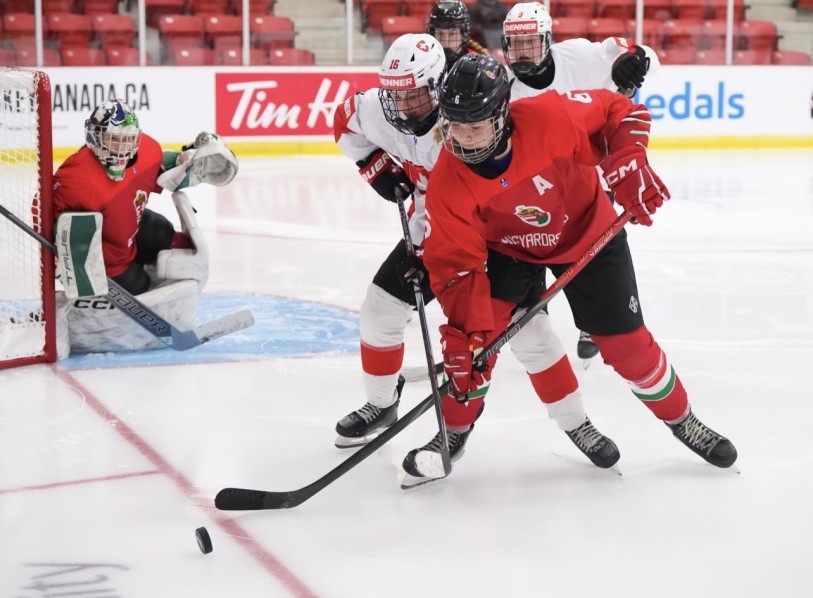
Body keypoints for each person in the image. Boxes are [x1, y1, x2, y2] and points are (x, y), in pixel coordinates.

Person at [403, 53, 738, 484]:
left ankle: (682, 419)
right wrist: (466, 332)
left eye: (476, 126)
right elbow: (455, 263)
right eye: (455, 127)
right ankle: (453, 433)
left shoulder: (551, 116)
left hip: (588, 234)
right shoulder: (449, 179)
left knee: (629, 349)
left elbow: (622, 111)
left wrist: (629, 161)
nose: (464, 140)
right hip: (508, 251)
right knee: (473, 350)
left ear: (502, 114)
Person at [333, 34, 620, 478]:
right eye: (396, 95)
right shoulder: (378, 109)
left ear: (437, 85)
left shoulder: (478, 115)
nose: (403, 106)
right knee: (379, 310)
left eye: (414, 94)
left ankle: (575, 422)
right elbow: (344, 120)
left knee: (531, 335)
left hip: (501, 239)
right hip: (439, 237)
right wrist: (376, 169)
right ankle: (381, 403)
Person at [502, 1, 660, 363]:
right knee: (530, 244)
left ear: (547, 40)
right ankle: (533, 318)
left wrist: (634, 61)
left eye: (530, 42)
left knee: (591, 244)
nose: (522, 51)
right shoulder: (506, 90)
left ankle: (596, 318)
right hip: (539, 185)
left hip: (591, 175)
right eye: (516, 43)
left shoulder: (578, 56)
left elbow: (646, 57)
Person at [52, 99, 238, 355]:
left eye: (127, 141)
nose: (121, 150)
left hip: (132, 224)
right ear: (94, 137)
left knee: (161, 230)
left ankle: (173, 287)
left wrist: (187, 161)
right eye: (113, 140)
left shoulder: (148, 149)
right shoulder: (76, 178)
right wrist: (59, 258)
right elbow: (47, 215)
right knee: (140, 288)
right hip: (109, 257)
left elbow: (162, 168)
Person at [426, 0, 488, 71]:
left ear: (463, 36)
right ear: (433, 35)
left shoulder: (478, 65)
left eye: (452, 34)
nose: (446, 42)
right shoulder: (423, 63)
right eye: (440, 33)